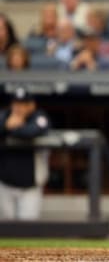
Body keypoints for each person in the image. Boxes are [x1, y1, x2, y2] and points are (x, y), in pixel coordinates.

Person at [0, 87, 50, 220]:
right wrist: (5, 125)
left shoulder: (39, 117)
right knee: (5, 232)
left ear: (31, 105)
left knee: (28, 229)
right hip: (5, 184)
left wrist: (11, 128)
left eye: (23, 104)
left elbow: (32, 132)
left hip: (30, 188)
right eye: (16, 104)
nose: (19, 108)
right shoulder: (5, 115)